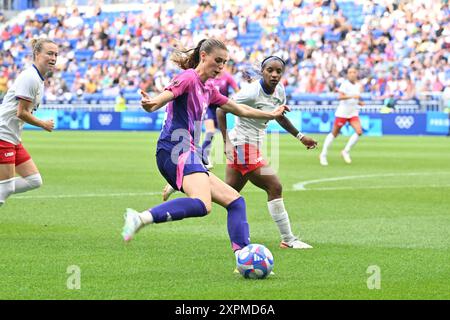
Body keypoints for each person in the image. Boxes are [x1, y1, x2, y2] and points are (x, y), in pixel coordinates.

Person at [121, 39, 288, 260]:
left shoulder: (208, 88)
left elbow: (239, 109)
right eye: (217, 60)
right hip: (174, 148)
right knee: (202, 204)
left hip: (186, 151)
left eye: (224, 62)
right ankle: (141, 218)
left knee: (236, 202)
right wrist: (152, 104)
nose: (220, 66)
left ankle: (243, 257)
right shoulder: (189, 77)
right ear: (203, 56)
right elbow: (167, 94)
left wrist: (272, 114)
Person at [216, 56, 318, 249]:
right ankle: (288, 239)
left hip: (252, 145)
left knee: (227, 194)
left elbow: (279, 117)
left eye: (278, 71)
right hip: (243, 145)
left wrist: (300, 136)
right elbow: (222, 109)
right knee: (275, 186)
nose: (274, 74)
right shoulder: (251, 91)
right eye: (270, 70)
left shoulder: (279, 90)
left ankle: (185, 184)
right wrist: (226, 142)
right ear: (262, 71)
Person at [0, 38, 57, 207]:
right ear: (37, 54)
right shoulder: (30, 77)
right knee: (5, 188)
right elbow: (22, 112)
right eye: (49, 53)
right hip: (3, 133)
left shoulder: (38, 79)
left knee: (34, 180)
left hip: (13, 137)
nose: (53, 57)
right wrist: (43, 124)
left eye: (56, 54)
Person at [319, 66, 364, 166]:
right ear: (348, 74)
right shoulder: (345, 84)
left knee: (359, 132)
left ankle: (346, 151)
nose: (352, 74)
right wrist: (353, 96)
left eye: (354, 72)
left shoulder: (358, 85)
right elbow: (340, 97)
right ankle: (323, 154)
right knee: (334, 134)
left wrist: (359, 102)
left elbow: (355, 98)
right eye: (350, 72)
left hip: (353, 112)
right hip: (342, 113)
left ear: (357, 74)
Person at [201, 68, 239, 169]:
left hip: (221, 108)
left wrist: (234, 100)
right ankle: (204, 155)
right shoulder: (209, 75)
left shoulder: (227, 77)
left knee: (226, 133)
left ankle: (235, 157)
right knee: (211, 131)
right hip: (209, 107)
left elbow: (237, 91)